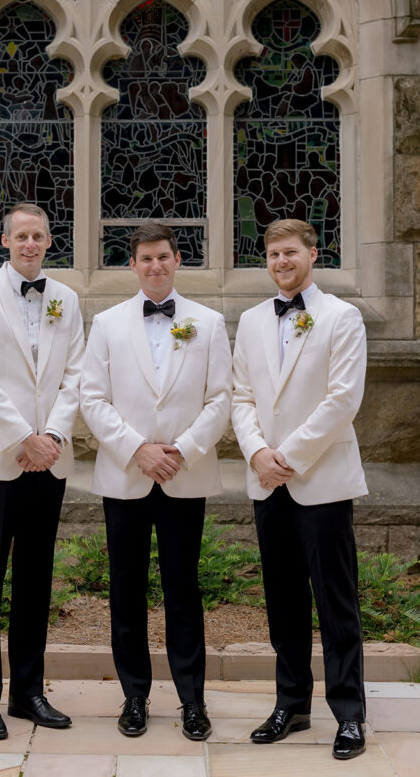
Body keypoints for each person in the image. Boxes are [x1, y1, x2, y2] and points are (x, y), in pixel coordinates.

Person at [80, 222, 231, 740]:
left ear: (177, 259)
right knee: (126, 589)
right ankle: (134, 696)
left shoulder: (208, 322)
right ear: (133, 265)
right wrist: (137, 449)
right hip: (127, 474)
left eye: (163, 256)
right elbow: (92, 398)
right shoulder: (106, 323)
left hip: (184, 475)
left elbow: (220, 398)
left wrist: (182, 450)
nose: (155, 266)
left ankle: (192, 700)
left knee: (183, 589)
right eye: (145, 258)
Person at [232, 218, 368, 761]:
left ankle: (350, 713)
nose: (281, 262)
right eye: (272, 254)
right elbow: (241, 396)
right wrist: (257, 453)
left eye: (290, 252)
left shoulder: (342, 316)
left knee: (336, 603)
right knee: (283, 601)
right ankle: (291, 703)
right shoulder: (250, 321)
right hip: (268, 482)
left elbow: (343, 398)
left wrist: (286, 456)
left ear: (313, 254)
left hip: (321, 479)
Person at [0, 202, 84, 740]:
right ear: (4, 241)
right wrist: (21, 440)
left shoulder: (66, 299)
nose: (30, 244)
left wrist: (51, 437)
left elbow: (75, 375)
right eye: (21, 236)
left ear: (49, 241)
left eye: (38, 236)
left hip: (48, 461)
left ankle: (28, 692)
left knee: (35, 579)